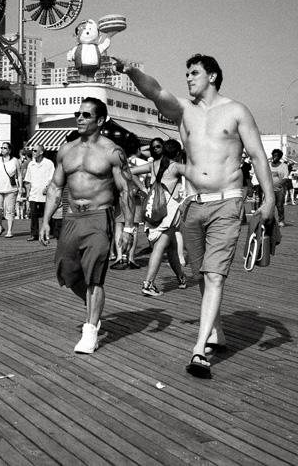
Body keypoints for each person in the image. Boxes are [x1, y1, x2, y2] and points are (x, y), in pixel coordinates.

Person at [114, 53, 275, 379]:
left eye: (195, 73)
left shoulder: (236, 111)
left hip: (227, 202)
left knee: (214, 275)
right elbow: (155, 92)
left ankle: (199, 351)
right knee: (202, 274)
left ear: (213, 76)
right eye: (186, 73)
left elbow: (257, 156)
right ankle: (216, 331)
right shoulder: (184, 112)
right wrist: (132, 72)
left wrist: (269, 199)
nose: (188, 78)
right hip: (192, 205)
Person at [39, 97, 135, 354]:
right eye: (77, 114)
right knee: (66, 272)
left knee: (94, 276)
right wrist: (47, 220)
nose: (79, 118)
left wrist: (128, 228)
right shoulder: (65, 149)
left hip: (98, 218)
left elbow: (126, 190)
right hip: (70, 218)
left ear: (100, 120)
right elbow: (56, 187)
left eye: (86, 115)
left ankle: (90, 330)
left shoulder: (112, 151)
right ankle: (94, 306)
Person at [130, 138, 187, 296]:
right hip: (168, 211)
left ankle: (180, 277)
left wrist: (144, 189)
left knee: (173, 247)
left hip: (154, 207)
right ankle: (148, 284)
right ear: (177, 153)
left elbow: (128, 172)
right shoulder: (176, 166)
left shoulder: (153, 165)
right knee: (160, 246)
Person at [111, 137, 149, 269]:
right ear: (138, 149)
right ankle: (131, 258)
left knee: (118, 227)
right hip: (136, 199)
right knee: (134, 228)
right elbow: (144, 184)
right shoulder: (142, 163)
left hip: (121, 197)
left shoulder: (120, 163)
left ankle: (120, 257)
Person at [0, 142, 21, 238]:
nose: (2, 149)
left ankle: (10, 230)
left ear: (10, 150)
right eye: (1, 147)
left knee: (10, 210)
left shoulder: (15, 160)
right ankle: (0, 227)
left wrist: (20, 186)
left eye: (5, 148)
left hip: (11, 189)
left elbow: (19, 174)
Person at [24, 144, 55, 241]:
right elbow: (28, 180)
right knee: (33, 215)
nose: (33, 152)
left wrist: (47, 187)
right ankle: (34, 234)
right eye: (32, 150)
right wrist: (28, 193)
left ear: (41, 152)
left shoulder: (48, 163)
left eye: (35, 151)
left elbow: (52, 177)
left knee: (47, 214)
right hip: (34, 193)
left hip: (45, 194)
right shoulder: (31, 164)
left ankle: (50, 232)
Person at [269, 149, 289, 226]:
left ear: (280, 157)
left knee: (279, 205)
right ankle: (270, 220)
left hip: (279, 189)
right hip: (269, 189)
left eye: (277, 156)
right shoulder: (268, 165)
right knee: (270, 205)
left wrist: (281, 183)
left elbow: (285, 177)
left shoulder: (284, 166)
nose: (275, 157)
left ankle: (281, 220)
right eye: (274, 155)